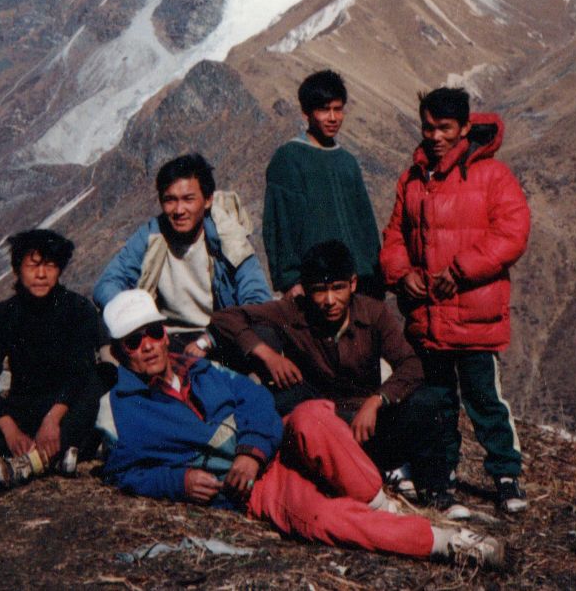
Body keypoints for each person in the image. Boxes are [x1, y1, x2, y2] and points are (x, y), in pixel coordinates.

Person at [95, 289, 504, 568]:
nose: (147, 346)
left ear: (165, 335)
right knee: (319, 517)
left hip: (268, 446)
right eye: (133, 341)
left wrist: (250, 450)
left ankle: (380, 505)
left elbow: (253, 400)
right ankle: (443, 542)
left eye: (152, 333)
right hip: (251, 488)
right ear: (119, 351)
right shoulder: (120, 409)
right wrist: (177, 480)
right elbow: (125, 473)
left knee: (312, 416)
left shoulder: (201, 368)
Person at [380, 87, 532, 515]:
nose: (435, 136)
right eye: (428, 127)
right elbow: (395, 235)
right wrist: (400, 273)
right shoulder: (413, 179)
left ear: (465, 127)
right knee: (439, 403)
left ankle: (506, 475)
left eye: (445, 128)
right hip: (429, 319)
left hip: (475, 318)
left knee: (484, 399)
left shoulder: (492, 176)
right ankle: (439, 476)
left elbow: (512, 233)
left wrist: (461, 270)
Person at [207, 239, 439, 493]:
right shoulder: (294, 311)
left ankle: (432, 488)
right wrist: (267, 355)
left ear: (352, 284)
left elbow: (411, 363)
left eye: (338, 288)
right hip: (319, 417)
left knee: (425, 402)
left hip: (366, 419)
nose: (330, 300)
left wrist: (377, 400)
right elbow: (224, 318)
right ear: (305, 290)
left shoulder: (374, 313)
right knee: (279, 400)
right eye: (319, 290)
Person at [0, 228, 103, 490]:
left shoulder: (78, 310)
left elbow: (80, 372)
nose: (41, 274)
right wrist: (9, 429)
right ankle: (58, 454)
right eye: (33, 265)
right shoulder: (1, 316)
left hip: (64, 409)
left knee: (98, 379)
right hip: (21, 410)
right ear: (18, 269)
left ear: (59, 269)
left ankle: (27, 461)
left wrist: (52, 419)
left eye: (49, 265)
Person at [92, 153, 271, 355]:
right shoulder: (151, 236)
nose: (179, 210)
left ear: (207, 200)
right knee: (106, 320)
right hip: (166, 338)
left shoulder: (228, 237)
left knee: (266, 331)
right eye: (170, 200)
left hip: (220, 334)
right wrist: (138, 316)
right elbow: (106, 284)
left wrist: (212, 338)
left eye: (188, 199)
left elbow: (257, 299)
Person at [263, 70, 384, 298]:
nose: (332, 118)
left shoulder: (347, 162)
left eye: (338, 109)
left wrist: (375, 272)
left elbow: (366, 225)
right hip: (316, 286)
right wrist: (290, 281)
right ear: (306, 113)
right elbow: (280, 225)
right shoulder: (288, 159)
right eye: (323, 109)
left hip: (360, 284)